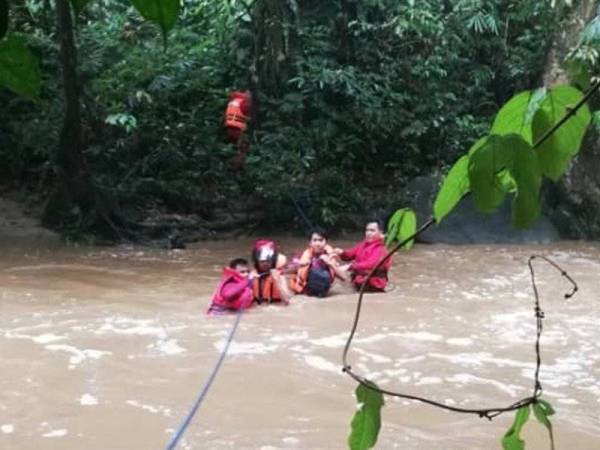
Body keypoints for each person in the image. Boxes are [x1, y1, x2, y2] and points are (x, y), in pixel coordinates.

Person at [334, 219, 391, 292]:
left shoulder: (381, 249)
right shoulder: (364, 245)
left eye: (372, 230)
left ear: (381, 232)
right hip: (360, 283)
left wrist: (350, 266)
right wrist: (341, 252)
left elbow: (371, 264)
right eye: (367, 230)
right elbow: (349, 255)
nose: (368, 233)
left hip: (373, 286)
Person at [289, 228, 345, 297]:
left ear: (326, 242)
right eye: (315, 240)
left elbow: (343, 277)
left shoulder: (329, 255)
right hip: (308, 290)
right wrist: (300, 264)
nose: (318, 243)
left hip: (324, 288)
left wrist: (329, 263)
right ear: (310, 243)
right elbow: (289, 270)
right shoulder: (306, 256)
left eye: (321, 240)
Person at [251, 239, 290, 305]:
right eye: (262, 261)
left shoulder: (280, 277)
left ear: (273, 260)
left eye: (268, 260)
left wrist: (277, 281)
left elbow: (287, 301)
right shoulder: (252, 276)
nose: (265, 263)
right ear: (256, 260)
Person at [224, 90, 252, 170]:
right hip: (238, 130)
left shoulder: (233, 100)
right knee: (242, 150)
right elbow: (248, 116)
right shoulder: (244, 102)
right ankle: (236, 169)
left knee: (233, 149)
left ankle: (230, 166)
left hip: (229, 128)